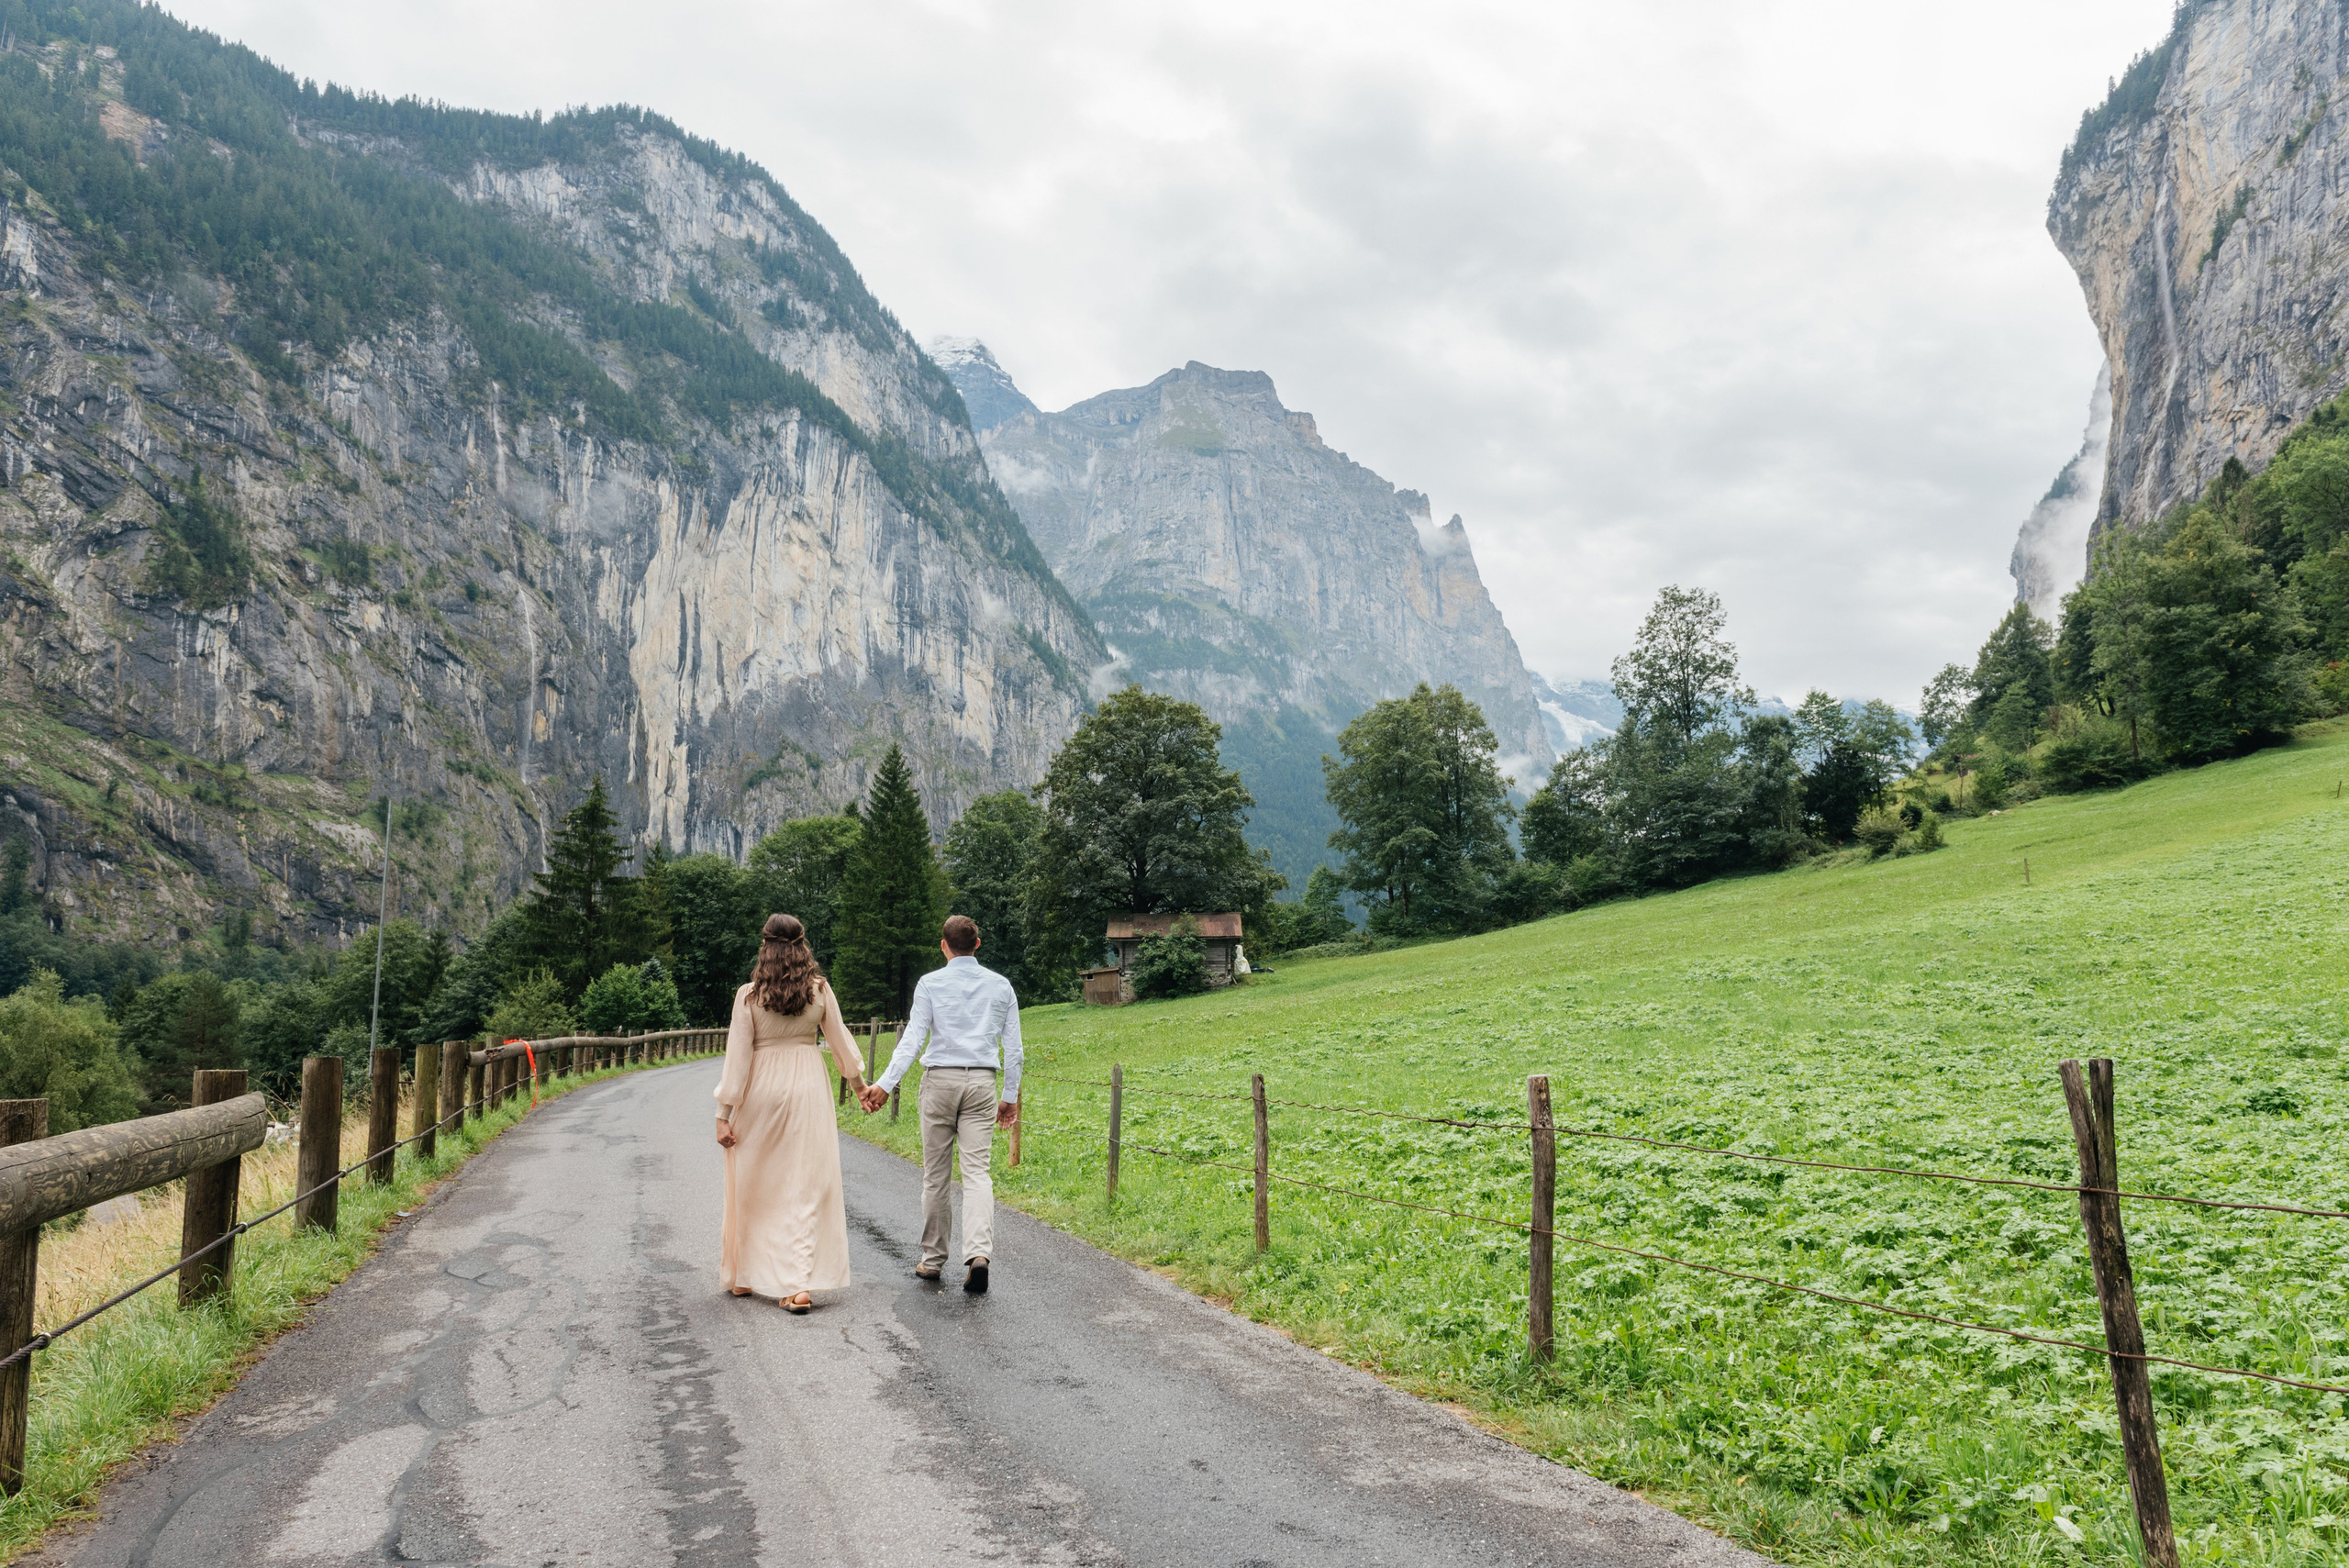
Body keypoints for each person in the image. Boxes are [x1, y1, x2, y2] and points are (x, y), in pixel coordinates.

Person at [714, 913, 874, 1313]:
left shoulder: (748, 995)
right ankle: (798, 1282)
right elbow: (839, 1041)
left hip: (761, 1090)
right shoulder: (819, 989)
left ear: (764, 945)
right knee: (802, 1185)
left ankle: (745, 1275)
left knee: (756, 1181)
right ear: (803, 946)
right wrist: (859, 1088)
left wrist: (723, 1113)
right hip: (807, 1088)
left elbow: (738, 1058)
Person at [864, 914, 1021, 1294]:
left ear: (943, 946)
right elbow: (1014, 1049)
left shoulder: (930, 984)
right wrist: (1009, 1097)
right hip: (982, 1082)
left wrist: (885, 1085)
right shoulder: (1001, 986)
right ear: (978, 944)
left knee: (936, 1175)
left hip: (940, 1082)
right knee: (977, 1173)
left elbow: (913, 1040)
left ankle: (933, 1261)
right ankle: (979, 1254)